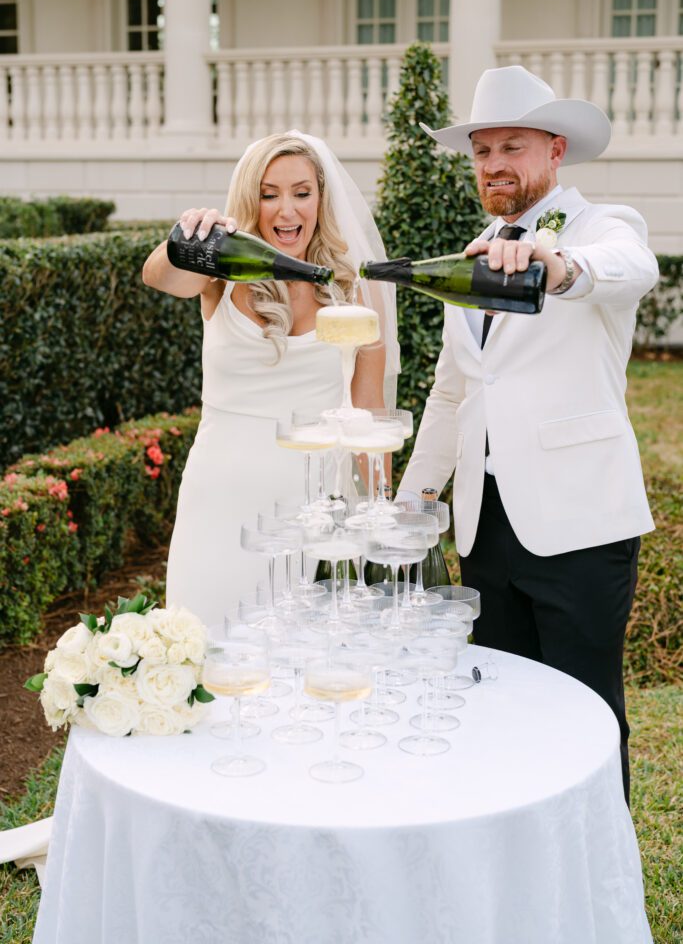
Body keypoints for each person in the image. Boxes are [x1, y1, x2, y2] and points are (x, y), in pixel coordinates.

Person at [398, 66, 658, 801]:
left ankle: (595, 881)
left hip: (578, 522)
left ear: (554, 150)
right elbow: (454, 391)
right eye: (481, 151)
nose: (493, 165)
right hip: (486, 529)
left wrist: (556, 262)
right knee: (504, 706)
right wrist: (415, 498)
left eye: (511, 146)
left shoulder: (606, 229)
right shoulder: (470, 253)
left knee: (584, 709)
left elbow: (627, 269)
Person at [142, 131, 399, 627]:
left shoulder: (355, 287)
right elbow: (160, 278)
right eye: (269, 193)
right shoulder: (221, 268)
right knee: (208, 639)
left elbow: (368, 410)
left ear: (321, 198)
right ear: (251, 200)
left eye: (302, 193)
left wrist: (382, 515)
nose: (287, 211)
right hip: (219, 497)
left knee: (305, 656)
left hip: (313, 502)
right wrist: (184, 237)